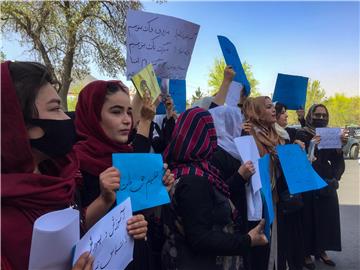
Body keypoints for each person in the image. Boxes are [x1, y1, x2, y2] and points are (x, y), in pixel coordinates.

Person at [1, 61, 147, 270]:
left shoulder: (59, 171)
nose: (67, 118)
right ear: (15, 123)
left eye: (129, 112)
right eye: (55, 108)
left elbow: (74, 230)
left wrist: (106, 202)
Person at [73, 80, 174, 270]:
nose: (127, 120)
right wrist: (104, 199)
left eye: (128, 111)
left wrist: (158, 192)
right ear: (94, 116)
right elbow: (74, 231)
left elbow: (137, 211)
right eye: (116, 111)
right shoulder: (75, 163)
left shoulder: (127, 155)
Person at [162, 107, 268, 270]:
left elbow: (214, 199)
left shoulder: (189, 169)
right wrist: (248, 240)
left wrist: (239, 178)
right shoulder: (194, 180)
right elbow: (200, 238)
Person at [295, 104, 345, 269]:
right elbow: (298, 159)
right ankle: (306, 253)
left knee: (325, 217)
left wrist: (339, 148)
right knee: (308, 217)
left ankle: (321, 250)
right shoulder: (303, 133)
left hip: (326, 181)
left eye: (324, 115)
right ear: (311, 115)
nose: (321, 118)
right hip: (308, 181)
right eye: (318, 115)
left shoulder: (331, 134)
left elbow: (336, 160)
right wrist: (312, 145)